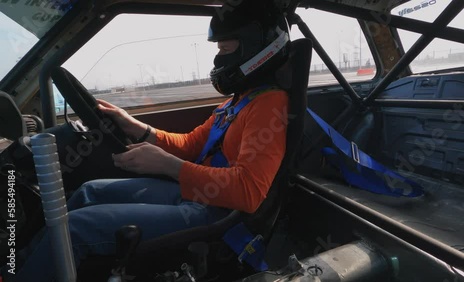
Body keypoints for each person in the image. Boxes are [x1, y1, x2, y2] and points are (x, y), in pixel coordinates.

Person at [6, 1, 291, 281]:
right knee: (88, 191)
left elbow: (248, 192)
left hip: (219, 215)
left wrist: (170, 166)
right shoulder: (237, 103)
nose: (219, 59)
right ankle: (20, 263)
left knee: (74, 230)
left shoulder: (269, 105)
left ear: (257, 50)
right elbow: (191, 144)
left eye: (226, 49)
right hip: (199, 195)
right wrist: (135, 126)